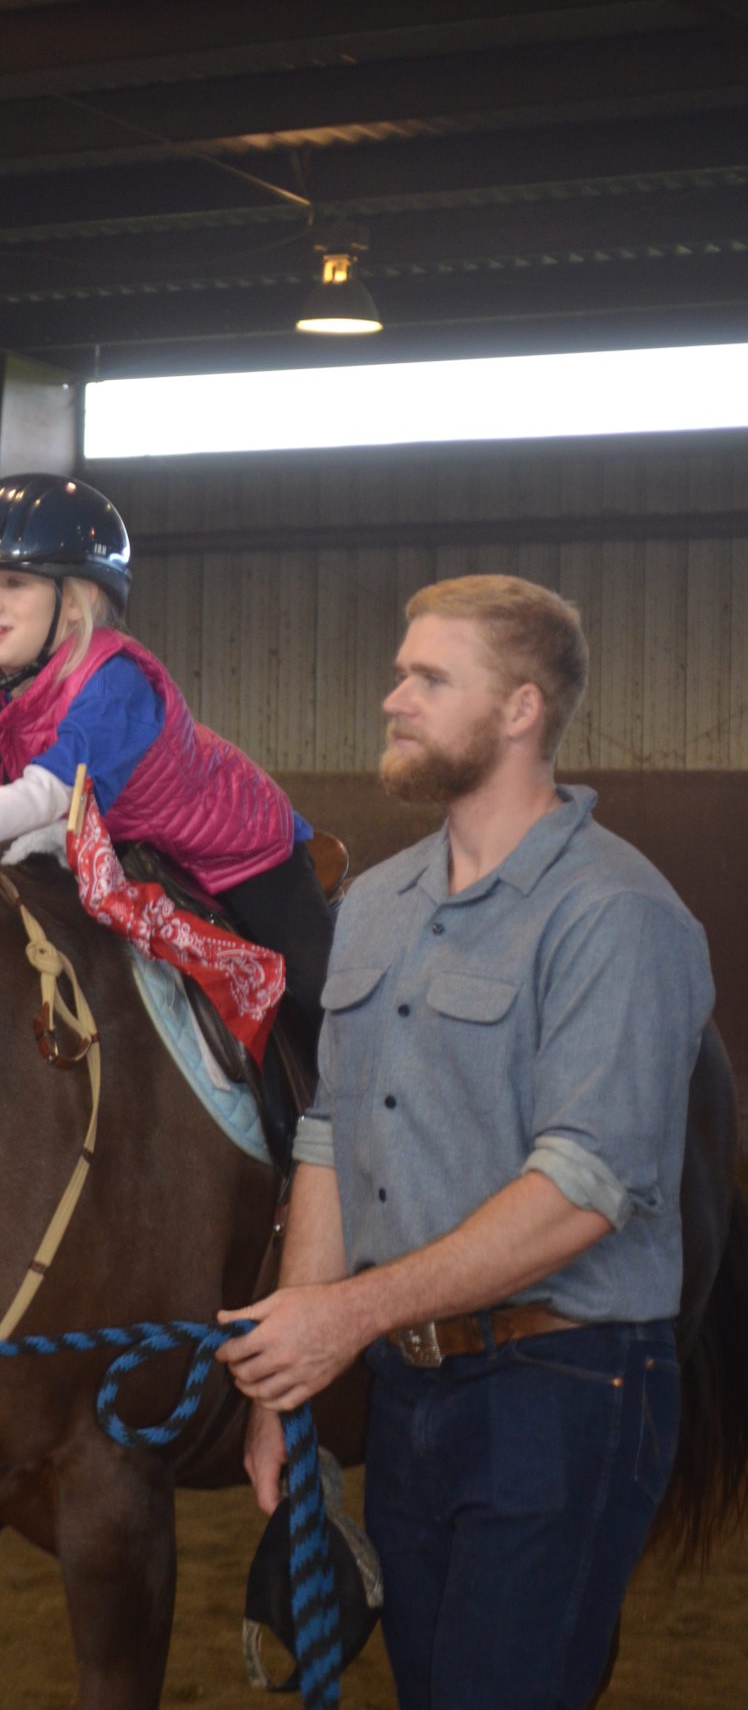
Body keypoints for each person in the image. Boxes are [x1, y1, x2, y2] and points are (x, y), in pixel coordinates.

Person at [218, 574, 714, 1710]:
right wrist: (289, 1384)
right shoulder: (381, 900)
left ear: (522, 707)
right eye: (402, 671)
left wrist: (343, 1316)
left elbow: (582, 1189)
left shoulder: (614, 915)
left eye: (429, 677)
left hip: (566, 1388)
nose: (393, 696)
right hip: (413, 1390)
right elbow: (334, 1135)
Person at [0, 473, 333, 1124]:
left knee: (321, 997)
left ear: (77, 603)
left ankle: (332, 1141)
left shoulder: (117, 682)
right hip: (110, 849)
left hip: (240, 858)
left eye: (15, 583)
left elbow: (48, 794)